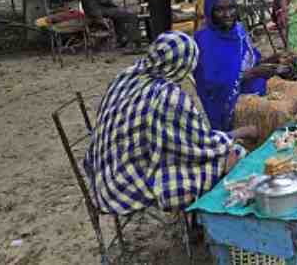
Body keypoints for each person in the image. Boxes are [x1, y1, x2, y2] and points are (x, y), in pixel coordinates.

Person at [84, 31, 258, 215]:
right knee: (233, 154)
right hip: (127, 187)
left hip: (104, 173)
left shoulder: (127, 76)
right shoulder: (168, 97)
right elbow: (201, 144)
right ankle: (212, 220)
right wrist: (240, 133)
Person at [193, 0, 297, 144]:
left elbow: (252, 60)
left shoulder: (238, 30)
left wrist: (275, 58)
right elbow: (212, 85)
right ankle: (277, 151)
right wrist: (251, 73)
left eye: (231, 8)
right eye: (219, 10)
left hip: (257, 84)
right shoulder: (204, 40)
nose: (227, 14)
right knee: (279, 112)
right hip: (231, 100)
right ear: (210, 12)